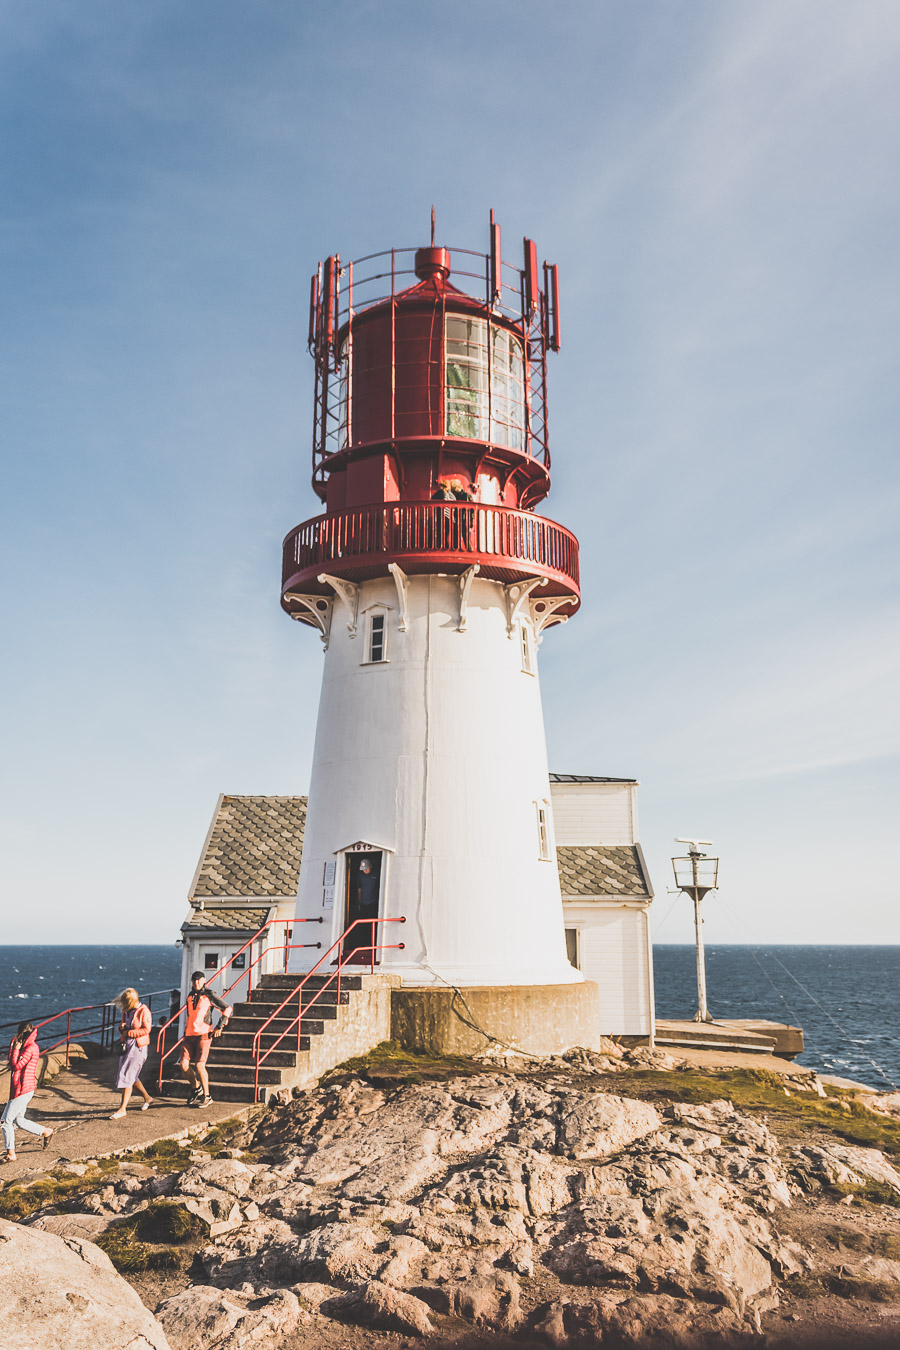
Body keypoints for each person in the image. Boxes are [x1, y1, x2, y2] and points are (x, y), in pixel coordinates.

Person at [179, 972, 232, 1108]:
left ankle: (207, 1096)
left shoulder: (209, 994)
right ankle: (197, 1088)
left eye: (198, 980)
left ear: (203, 981)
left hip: (204, 1034)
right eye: (194, 981)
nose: (196, 983)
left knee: (199, 1065)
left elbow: (227, 1008)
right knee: (184, 1064)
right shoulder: (190, 997)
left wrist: (220, 1026)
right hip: (189, 1035)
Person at [2, 1021, 53, 1162]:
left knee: (5, 1121)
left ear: (22, 1034)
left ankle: (11, 1154)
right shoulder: (27, 1046)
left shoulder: (30, 1048)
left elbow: (16, 1066)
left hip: (22, 1089)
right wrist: (14, 1048)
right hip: (22, 1088)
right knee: (19, 1120)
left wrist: (16, 1049)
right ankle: (46, 1131)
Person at [110, 988, 153, 1119]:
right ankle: (147, 1098)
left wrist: (129, 1033)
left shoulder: (144, 1011)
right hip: (127, 1045)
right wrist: (122, 1028)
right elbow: (123, 1028)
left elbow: (147, 1029)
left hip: (138, 1047)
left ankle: (122, 1109)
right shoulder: (127, 1011)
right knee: (131, 1076)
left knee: (127, 1075)